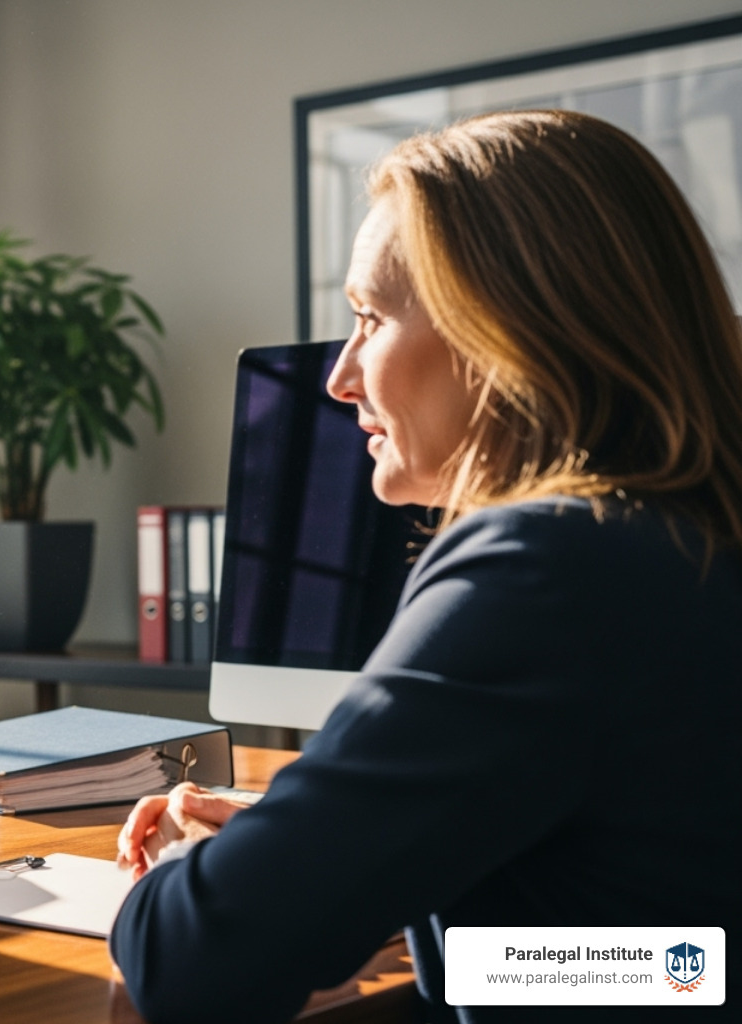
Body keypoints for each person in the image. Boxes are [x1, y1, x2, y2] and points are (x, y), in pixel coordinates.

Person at [111, 110, 742, 1023]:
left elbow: (195, 962)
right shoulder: (687, 543)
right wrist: (363, 868)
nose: (340, 377)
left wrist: (184, 873)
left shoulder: (542, 569)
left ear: (504, 332)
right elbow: (686, 966)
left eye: (368, 318)